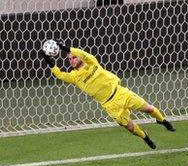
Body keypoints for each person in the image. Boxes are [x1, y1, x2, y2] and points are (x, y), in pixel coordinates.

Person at [39, 41, 175, 149]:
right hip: (109, 105)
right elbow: (60, 75)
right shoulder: (74, 77)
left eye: (74, 57)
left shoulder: (92, 63)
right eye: (70, 59)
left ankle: (162, 121)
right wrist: (47, 60)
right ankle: (146, 137)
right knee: (131, 128)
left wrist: (64, 48)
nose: (72, 60)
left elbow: (83, 54)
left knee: (150, 109)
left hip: (120, 93)